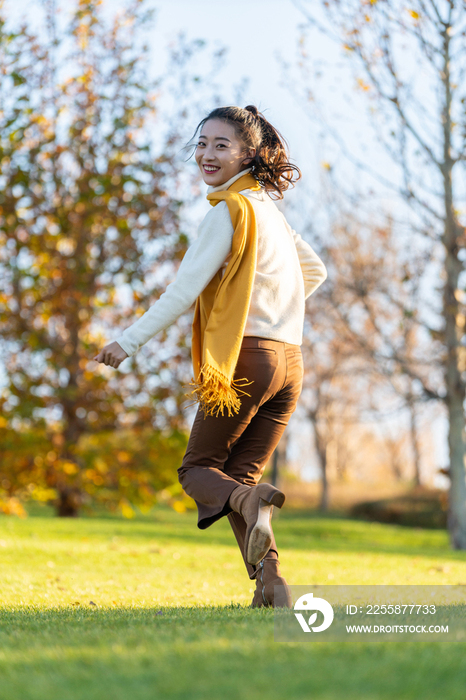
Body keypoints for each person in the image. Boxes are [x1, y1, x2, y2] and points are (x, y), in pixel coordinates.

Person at [93, 105, 327, 608]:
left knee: (198, 470)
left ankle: (250, 505)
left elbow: (183, 291)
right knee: (239, 479)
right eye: (202, 144)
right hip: (289, 363)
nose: (207, 154)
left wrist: (126, 342)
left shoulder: (229, 211)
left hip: (245, 360)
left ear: (249, 153)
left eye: (222, 145)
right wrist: (272, 300)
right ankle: (272, 583)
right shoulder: (271, 213)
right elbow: (315, 272)